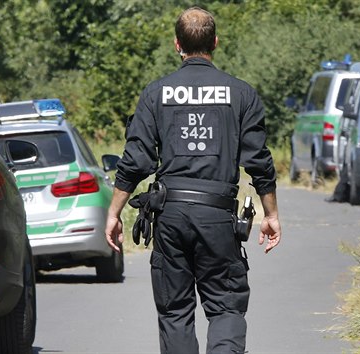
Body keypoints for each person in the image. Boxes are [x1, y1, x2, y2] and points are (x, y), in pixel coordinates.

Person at [104, 7, 282, 354]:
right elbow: (258, 161)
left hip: (170, 217)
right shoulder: (241, 94)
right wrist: (271, 214)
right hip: (217, 218)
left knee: (175, 311)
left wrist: (114, 213)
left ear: (177, 45)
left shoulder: (156, 94)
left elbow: (136, 160)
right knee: (226, 306)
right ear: (214, 42)